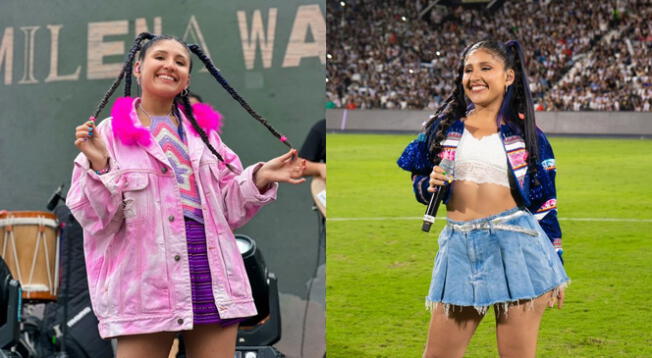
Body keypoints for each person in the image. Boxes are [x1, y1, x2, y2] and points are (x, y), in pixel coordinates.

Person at [66, 33, 306, 358]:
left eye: (180, 62)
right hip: (145, 282)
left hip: (212, 273)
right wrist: (100, 165)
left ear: (187, 80)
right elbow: (96, 219)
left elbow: (228, 208)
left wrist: (260, 176)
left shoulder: (205, 138)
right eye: (160, 57)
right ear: (137, 68)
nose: (170, 66)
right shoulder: (107, 135)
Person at [397, 40, 569, 358]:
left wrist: (556, 260)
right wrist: (428, 184)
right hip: (459, 248)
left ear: (509, 77)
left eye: (486, 68)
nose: (474, 76)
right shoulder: (443, 128)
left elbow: (546, 202)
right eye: (468, 69)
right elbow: (418, 177)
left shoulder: (528, 133)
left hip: (519, 246)